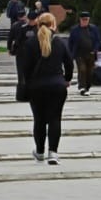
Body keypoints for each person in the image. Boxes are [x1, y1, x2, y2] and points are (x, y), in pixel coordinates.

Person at [17, 12, 73, 164]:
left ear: (37, 24)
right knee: (55, 119)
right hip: (57, 86)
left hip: (37, 87)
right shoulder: (60, 42)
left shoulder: (30, 43)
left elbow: (25, 67)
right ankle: (53, 153)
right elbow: (69, 63)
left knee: (39, 120)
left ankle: (40, 152)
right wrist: (67, 79)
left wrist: (28, 83)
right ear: (53, 24)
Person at [68, 12, 101, 95]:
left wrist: (95, 49)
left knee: (90, 71)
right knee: (82, 69)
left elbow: (98, 40)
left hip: (91, 53)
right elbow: (71, 42)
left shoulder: (93, 29)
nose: (85, 21)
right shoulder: (75, 30)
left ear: (89, 20)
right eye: (83, 20)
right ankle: (82, 87)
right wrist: (71, 53)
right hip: (79, 53)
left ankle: (87, 87)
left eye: (86, 20)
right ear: (80, 20)